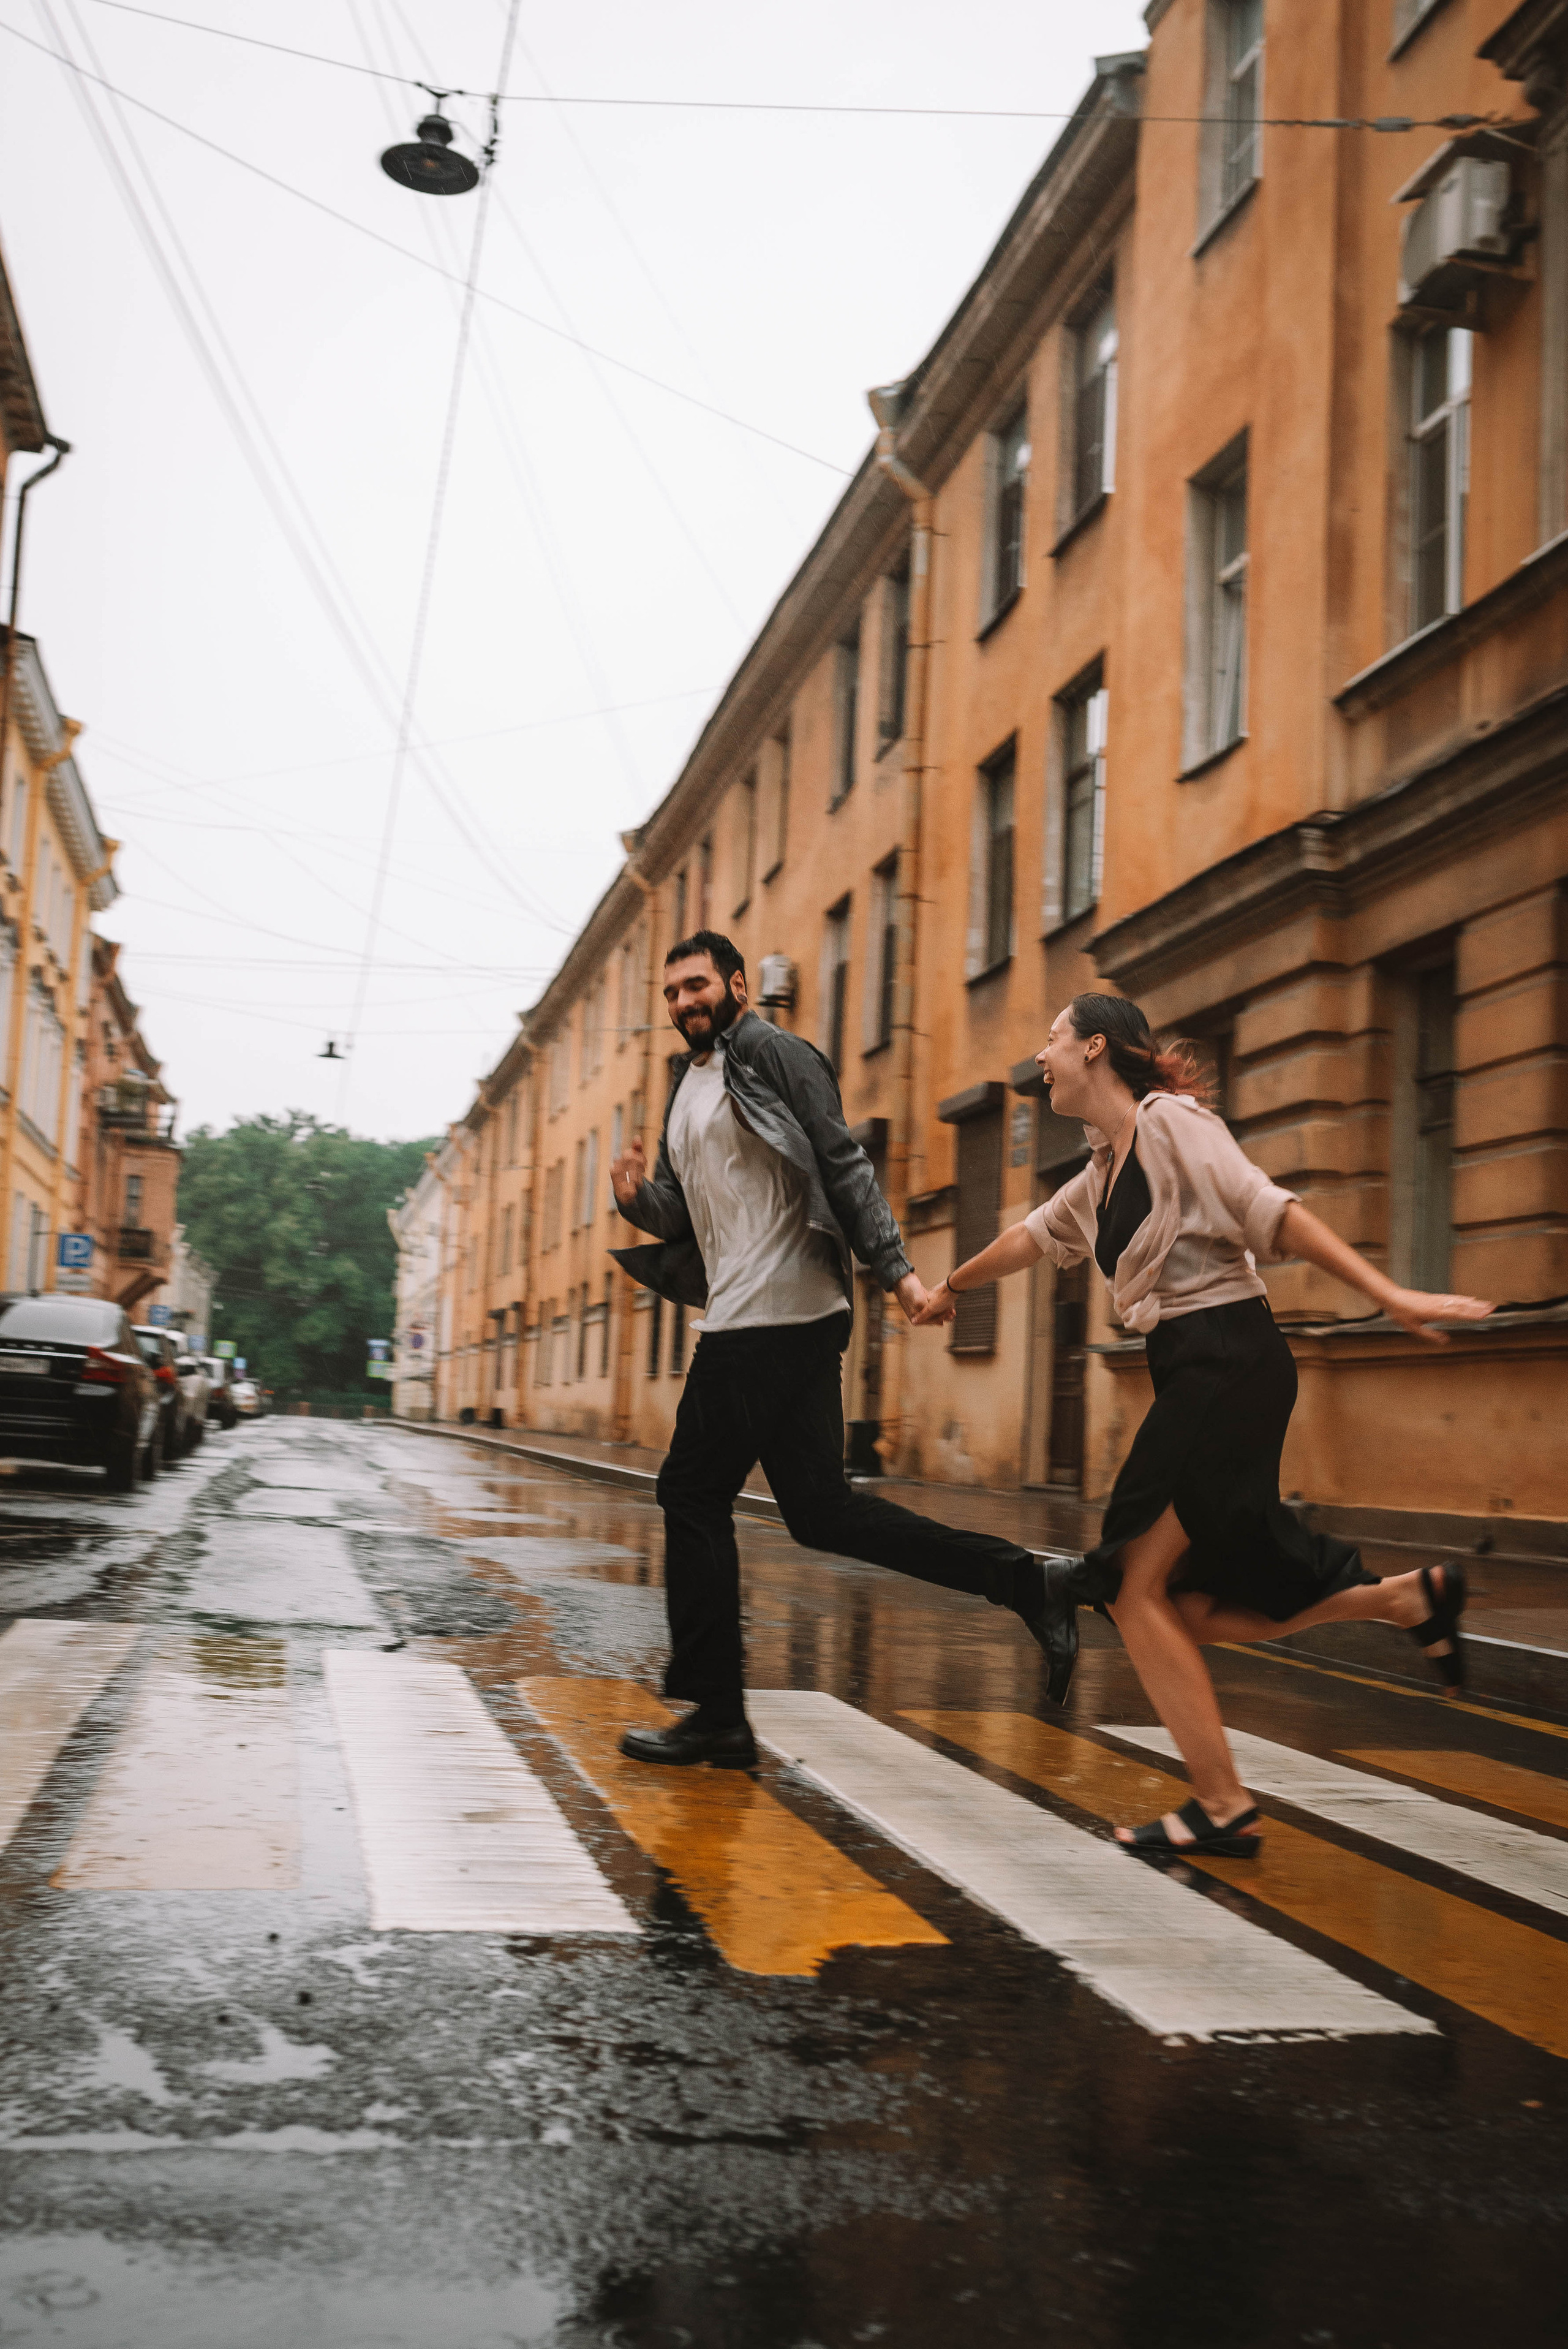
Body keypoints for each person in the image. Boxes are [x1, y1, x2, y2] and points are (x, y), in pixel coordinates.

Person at [911, 993, 1494, 1860]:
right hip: (1202, 1370)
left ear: (1095, 1046)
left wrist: (1392, 1296)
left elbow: (1273, 1211)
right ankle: (1406, 1599)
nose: (1041, 1054)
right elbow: (1031, 1238)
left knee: (1131, 1582)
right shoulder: (1104, 1168)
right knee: (1191, 1602)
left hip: (1230, 1359)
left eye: (1053, 1038)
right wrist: (950, 1287)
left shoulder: (1173, 1125)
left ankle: (1222, 1804)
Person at [607, 930, 1084, 1768]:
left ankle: (718, 1713)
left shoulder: (776, 1054)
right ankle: (1027, 1580)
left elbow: (844, 1163)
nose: (684, 1002)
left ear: (738, 984)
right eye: (672, 994)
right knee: (823, 1513)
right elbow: (687, 1213)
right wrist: (633, 1197)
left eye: (697, 985)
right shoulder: (685, 1085)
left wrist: (897, 1273)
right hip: (772, 1314)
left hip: (773, 1310)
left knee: (689, 1493)